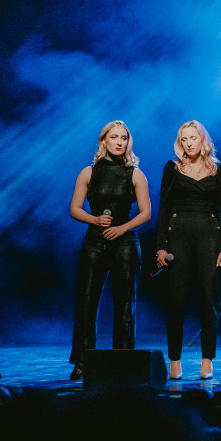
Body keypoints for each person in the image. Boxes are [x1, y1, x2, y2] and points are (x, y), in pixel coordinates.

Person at [68, 121, 151, 380]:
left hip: (125, 244)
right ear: (103, 140)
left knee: (125, 303)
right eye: (113, 137)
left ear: (128, 142)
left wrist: (122, 228)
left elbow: (146, 212)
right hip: (95, 241)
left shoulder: (135, 174)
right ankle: (82, 360)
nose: (119, 142)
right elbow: (75, 208)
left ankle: (123, 360)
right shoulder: (88, 173)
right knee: (87, 300)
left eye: (124, 138)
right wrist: (94, 220)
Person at [156, 121, 221, 381]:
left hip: (209, 237)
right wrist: (161, 247)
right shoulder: (172, 168)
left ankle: (207, 359)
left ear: (203, 141)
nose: (188, 143)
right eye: (184, 139)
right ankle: (174, 359)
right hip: (178, 235)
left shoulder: (218, 170)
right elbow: (163, 208)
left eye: (193, 138)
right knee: (176, 300)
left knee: (209, 300)